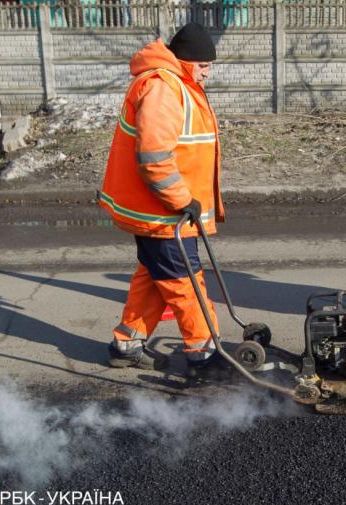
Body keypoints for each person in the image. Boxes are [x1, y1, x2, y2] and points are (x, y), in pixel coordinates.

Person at [99, 22, 229, 381]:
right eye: (203, 66)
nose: (207, 73)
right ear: (186, 61)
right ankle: (204, 354)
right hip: (162, 212)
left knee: (154, 276)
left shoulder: (178, 84)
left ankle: (126, 345)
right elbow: (154, 157)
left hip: (165, 211)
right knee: (185, 280)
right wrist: (183, 198)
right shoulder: (163, 88)